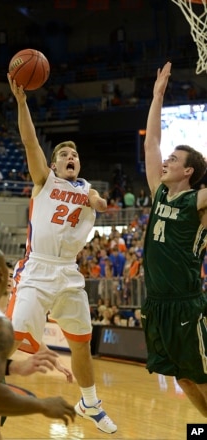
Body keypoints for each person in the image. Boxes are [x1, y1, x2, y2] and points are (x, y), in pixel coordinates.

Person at [6, 74, 117, 434]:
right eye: (65, 155)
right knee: (12, 341)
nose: (71, 157)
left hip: (68, 273)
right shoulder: (45, 181)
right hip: (37, 270)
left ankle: (90, 403)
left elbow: (95, 199)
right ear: (54, 165)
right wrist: (22, 103)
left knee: (81, 342)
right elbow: (29, 141)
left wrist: (100, 202)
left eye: (75, 155)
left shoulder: (85, 188)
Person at [141, 61, 207, 416]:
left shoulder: (198, 201)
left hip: (186, 304)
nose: (165, 160)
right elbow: (151, 140)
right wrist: (158, 95)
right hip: (157, 304)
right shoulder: (158, 194)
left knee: (203, 376)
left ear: (189, 171)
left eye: (174, 158)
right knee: (183, 379)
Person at [0, 242, 75, 439]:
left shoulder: (12, 304)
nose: (10, 279)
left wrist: (20, 366)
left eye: (12, 275)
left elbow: (29, 335)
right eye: (7, 275)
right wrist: (41, 405)